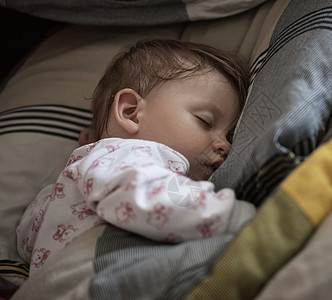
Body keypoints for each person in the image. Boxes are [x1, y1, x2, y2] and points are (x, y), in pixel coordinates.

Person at [16, 39, 255, 275]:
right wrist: (237, 216)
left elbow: (27, 243)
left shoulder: (62, 190)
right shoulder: (124, 153)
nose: (224, 145)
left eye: (230, 136)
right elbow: (148, 196)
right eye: (205, 121)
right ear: (131, 113)